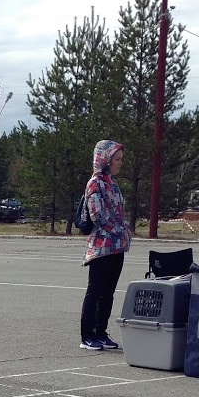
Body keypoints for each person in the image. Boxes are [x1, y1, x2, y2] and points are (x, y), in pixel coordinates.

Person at [78, 139, 128, 352]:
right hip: (101, 248)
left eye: (121, 160)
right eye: (116, 159)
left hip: (116, 247)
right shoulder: (95, 183)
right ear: (105, 160)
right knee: (95, 291)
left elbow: (118, 212)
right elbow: (97, 214)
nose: (119, 163)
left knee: (108, 292)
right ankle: (87, 335)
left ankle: (101, 332)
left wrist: (124, 232)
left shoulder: (112, 183)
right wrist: (119, 230)